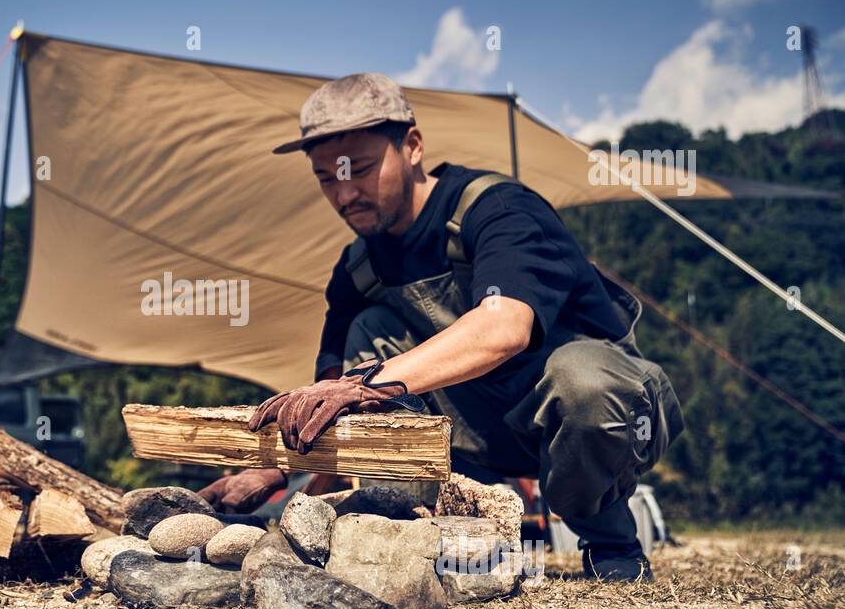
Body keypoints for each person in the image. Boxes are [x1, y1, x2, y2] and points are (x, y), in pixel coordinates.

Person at [199, 73, 683, 581]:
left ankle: (612, 544)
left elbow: (505, 328)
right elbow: (329, 395)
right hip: (470, 430)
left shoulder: (498, 210)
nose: (344, 195)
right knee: (368, 331)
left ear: (412, 146)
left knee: (582, 379)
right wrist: (275, 467)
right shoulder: (358, 269)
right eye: (326, 178)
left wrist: (366, 384)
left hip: (594, 420)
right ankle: (428, 534)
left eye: (359, 170)